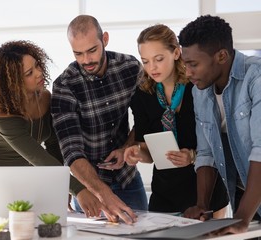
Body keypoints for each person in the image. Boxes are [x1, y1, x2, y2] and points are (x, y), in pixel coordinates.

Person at [0, 40, 102, 224]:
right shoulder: (4, 115)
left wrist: (61, 186)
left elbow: (54, 146)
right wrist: (78, 189)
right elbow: (39, 158)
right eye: (29, 73)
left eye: (37, 66)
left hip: (27, 178)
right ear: (13, 83)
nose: (39, 73)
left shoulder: (46, 97)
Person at [51, 14, 148, 224]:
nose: (86, 60)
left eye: (92, 50)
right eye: (78, 53)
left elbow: (146, 117)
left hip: (128, 178)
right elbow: (71, 151)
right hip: (91, 187)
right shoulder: (64, 86)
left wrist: (126, 147)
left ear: (104, 39)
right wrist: (103, 195)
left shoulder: (130, 68)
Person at [123, 24, 229, 217]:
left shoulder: (201, 88)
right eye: (145, 61)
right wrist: (137, 153)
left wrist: (193, 156)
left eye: (159, 59)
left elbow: (222, 144)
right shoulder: (142, 95)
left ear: (177, 53)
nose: (151, 67)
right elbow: (149, 153)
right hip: (165, 195)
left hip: (205, 192)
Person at [178, 15, 261, 235]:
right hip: (249, 202)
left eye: (193, 64)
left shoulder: (256, 78)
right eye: (185, 64)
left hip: (248, 207)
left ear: (221, 56)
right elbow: (206, 152)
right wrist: (202, 206)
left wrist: (241, 218)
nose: (187, 73)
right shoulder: (200, 91)